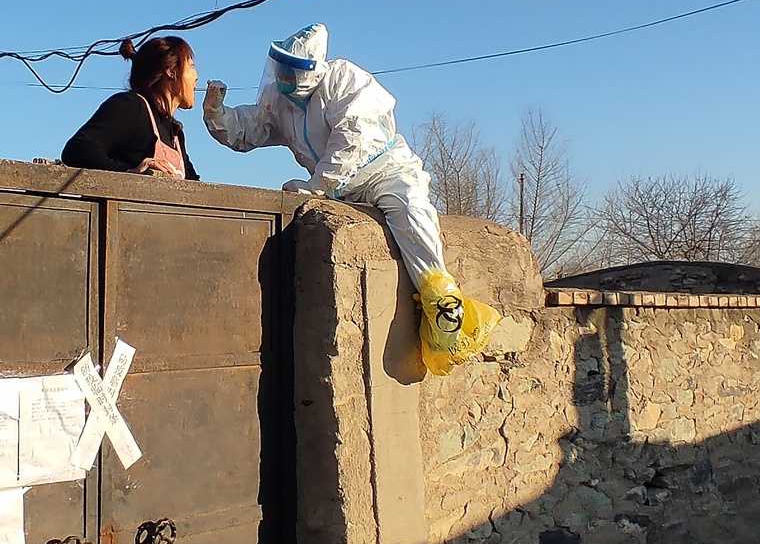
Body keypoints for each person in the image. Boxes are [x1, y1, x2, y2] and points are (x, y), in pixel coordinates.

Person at [202, 23, 499, 373]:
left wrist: (318, 185)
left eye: (289, 70)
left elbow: (352, 136)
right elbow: (250, 128)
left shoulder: (343, 80)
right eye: (279, 68)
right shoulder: (281, 103)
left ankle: (446, 310)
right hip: (340, 192)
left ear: (309, 70)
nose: (281, 76)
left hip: (386, 172)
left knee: (412, 215)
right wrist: (218, 114)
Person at [62, 36, 200, 180]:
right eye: (191, 65)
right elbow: (77, 150)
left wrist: (216, 111)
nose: (196, 76)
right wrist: (130, 173)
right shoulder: (132, 107)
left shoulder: (175, 133)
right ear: (171, 71)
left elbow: (195, 188)